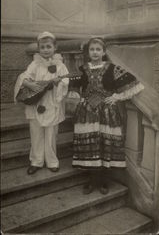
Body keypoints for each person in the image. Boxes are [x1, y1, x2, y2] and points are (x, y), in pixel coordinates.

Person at [72, 37, 144, 194]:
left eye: (98, 49)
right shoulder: (82, 68)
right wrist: (80, 98)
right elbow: (75, 87)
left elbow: (136, 84)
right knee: (91, 146)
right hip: (87, 114)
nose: (95, 52)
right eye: (92, 49)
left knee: (104, 145)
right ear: (88, 52)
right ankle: (92, 180)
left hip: (106, 113)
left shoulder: (112, 68)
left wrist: (116, 97)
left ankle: (103, 181)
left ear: (104, 52)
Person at [14, 31, 69, 175]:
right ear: (39, 49)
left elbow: (66, 80)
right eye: (42, 47)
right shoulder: (35, 64)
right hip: (36, 103)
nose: (45, 50)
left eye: (48, 46)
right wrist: (30, 85)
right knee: (36, 133)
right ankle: (36, 161)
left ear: (54, 47)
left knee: (51, 134)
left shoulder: (60, 65)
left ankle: (52, 161)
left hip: (52, 103)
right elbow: (23, 77)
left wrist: (59, 83)